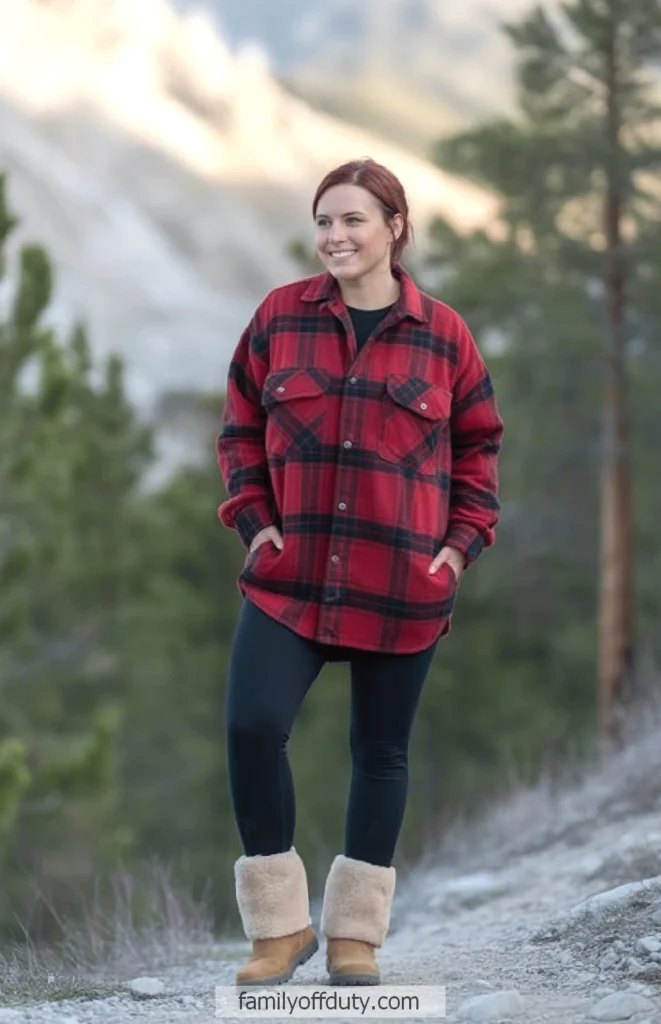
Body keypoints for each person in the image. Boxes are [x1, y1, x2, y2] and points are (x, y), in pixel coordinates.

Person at [216, 157, 504, 988]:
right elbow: (237, 425)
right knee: (250, 728)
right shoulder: (279, 317)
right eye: (324, 221)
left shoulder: (443, 334)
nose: (333, 237)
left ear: (394, 230)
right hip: (289, 574)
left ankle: (354, 938)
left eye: (352, 221)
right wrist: (255, 521)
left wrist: (456, 546)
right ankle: (280, 930)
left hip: (400, 582)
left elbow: (478, 446)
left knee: (380, 752)